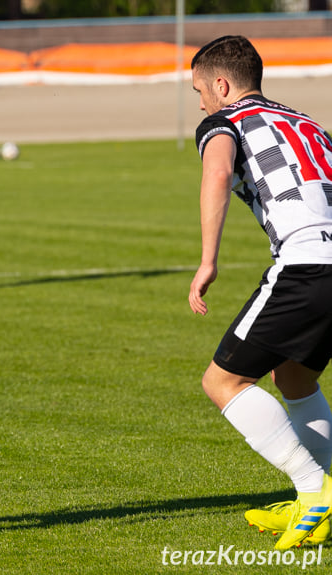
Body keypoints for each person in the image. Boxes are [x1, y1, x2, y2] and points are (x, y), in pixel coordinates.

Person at [188, 35, 332, 551]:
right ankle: (317, 502)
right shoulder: (306, 121)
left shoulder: (224, 121)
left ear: (222, 85)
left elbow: (218, 170)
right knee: (293, 376)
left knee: (222, 381)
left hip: (308, 264)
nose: (201, 103)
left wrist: (207, 260)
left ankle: (314, 492)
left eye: (200, 91)